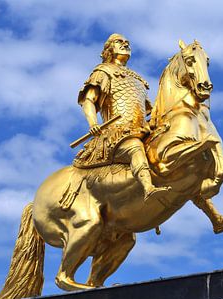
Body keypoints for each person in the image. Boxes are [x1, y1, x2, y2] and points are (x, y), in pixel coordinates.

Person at [73, 33, 170, 201]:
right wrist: (93, 123)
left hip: (142, 129)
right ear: (110, 48)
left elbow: (150, 111)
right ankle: (148, 188)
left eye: (127, 42)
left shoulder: (137, 79)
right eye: (119, 42)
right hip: (117, 133)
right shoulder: (102, 72)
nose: (125, 44)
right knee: (134, 147)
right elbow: (89, 100)